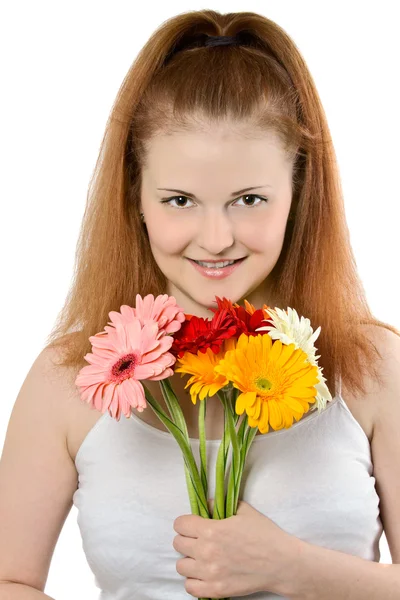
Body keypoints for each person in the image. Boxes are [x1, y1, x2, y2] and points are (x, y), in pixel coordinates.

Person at [1, 8, 400, 600]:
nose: (215, 239)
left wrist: (293, 568)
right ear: (135, 195)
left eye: (248, 199)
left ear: (299, 192)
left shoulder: (374, 366)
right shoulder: (67, 379)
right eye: (180, 200)